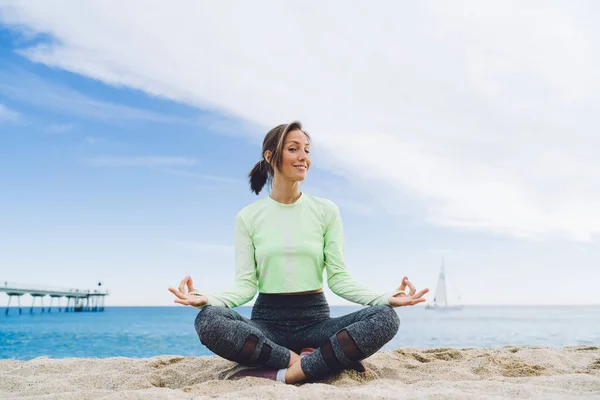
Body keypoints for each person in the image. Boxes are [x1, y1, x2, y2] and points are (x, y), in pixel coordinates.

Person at [168, 121, 429, 384]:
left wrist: (385, 297)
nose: (304, 157)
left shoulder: (326, 210)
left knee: (385, 317)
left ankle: (286, 372)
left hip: (316, 323)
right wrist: (208, 298)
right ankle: (309, 362)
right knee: (209, 320)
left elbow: (339, 279)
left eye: (307, 149)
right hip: (267, 325)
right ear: (271, 156)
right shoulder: (248, 217)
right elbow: (246, 286)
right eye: (294, 149)